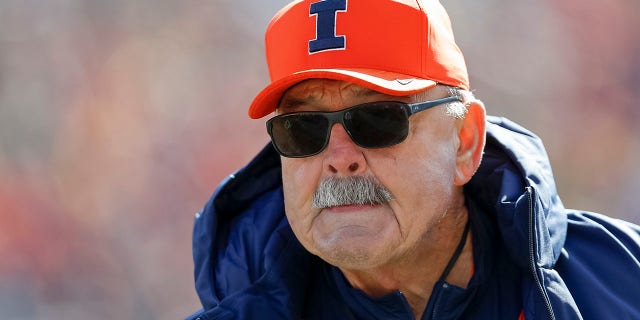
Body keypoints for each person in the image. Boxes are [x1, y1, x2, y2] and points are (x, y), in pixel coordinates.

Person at [186, 0, 640, 319]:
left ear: (464, 141)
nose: (339, 158)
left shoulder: (624, 282)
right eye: (302, 129)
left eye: (378, 119)